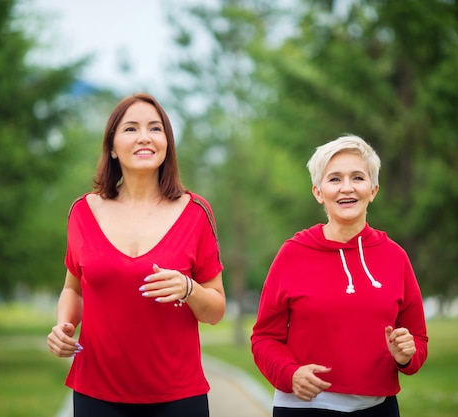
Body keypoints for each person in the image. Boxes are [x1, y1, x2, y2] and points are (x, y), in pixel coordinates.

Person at [47, 93, 226, 417]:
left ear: (167, 144)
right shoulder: (82, 211)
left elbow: (214, 311)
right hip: (95, 393)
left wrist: (189, 289)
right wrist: (64, 325)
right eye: (131, 129)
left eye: (155, 129)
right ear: (112, 147)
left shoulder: (196, 212)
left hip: (177, 397)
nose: (144, 136)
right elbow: (73, 289)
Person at [251, 135, 428, 417]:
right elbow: (263, 338)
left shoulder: (395, 257)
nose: (347, 187)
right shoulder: (292, 254)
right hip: (304, 409)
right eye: (334, 179)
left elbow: (417, 339)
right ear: (318, 192)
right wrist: (289, 373)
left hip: (379, 409)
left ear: (373, 190)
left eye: (358, 177)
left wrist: (407, 356)